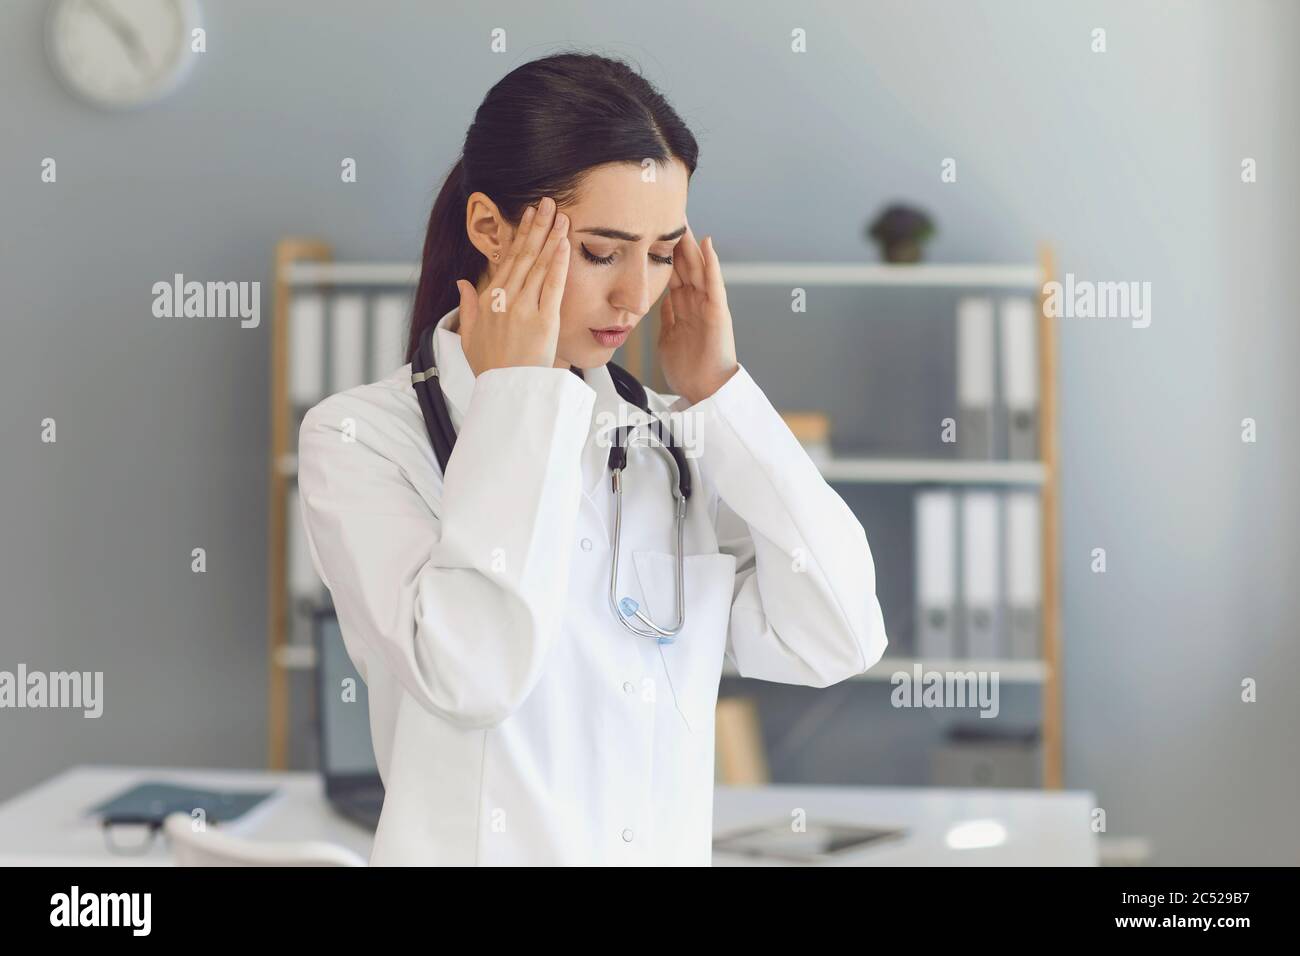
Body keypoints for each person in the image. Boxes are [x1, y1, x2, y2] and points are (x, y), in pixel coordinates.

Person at [297, 51, 887, 866]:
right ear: (489, 228)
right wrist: (516, 400)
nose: (634, 297)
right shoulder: (363, 440)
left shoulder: (667, 443)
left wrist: (723, 398)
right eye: (602, 252)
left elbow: (839, 636)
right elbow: (473, 675)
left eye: (660, 253)